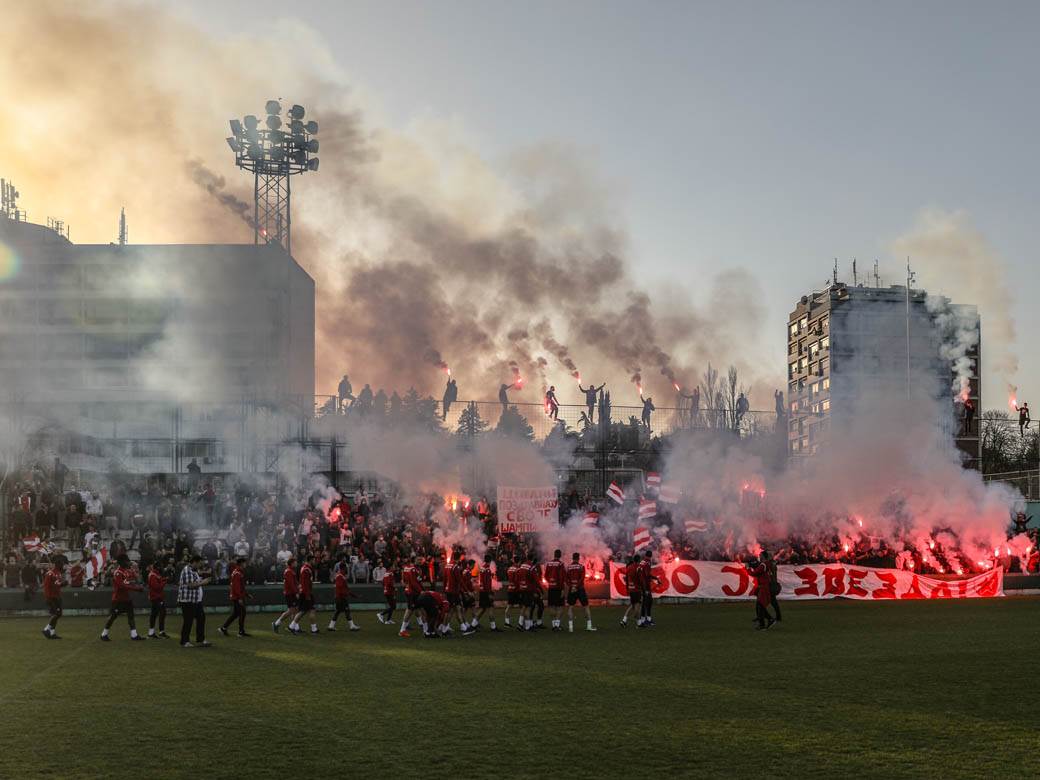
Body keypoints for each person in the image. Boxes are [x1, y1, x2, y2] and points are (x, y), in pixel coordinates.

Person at [101, 555, 144, 642]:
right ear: (122, 562)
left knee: (131, 616)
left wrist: (135, 575)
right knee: (113, 617)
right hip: (118, 600)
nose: (128, 563)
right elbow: (122, 586)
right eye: (127, 561)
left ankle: (134, 635)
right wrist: (136, 588)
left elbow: (134, 579)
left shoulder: (126, 571)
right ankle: (104, 634)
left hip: (127, 598)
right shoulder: (117, 573)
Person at [177, 555, 212, 647]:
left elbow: (195, 582)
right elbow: (191, 585)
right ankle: (184, 641)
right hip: (188, 600)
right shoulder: (187, 570)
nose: (200, 565)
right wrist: (203, 582)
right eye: (200, 563)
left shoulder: (193, 571)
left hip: (195, 600)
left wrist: (201, 580)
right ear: (195, 562)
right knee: (188, 621)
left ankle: (200, 639)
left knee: (201, 618)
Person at [219, 557, 250, 637]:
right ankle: (240, 632)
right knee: (242, 613)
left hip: (236, 596)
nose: (246, 564)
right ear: (242, 563)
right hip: (237, 597)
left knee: (236, 613)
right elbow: (237, 587)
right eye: (245, 563)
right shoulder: (237, 573)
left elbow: (240, 586)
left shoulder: (237, 572)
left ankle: (224, 628)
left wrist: (246, 594)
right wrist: (240, 597)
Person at [565, 553, 596, 632]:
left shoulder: (568, 567)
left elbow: (566, 579)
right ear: (578, 558)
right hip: (580, 589)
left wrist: (572, 586)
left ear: (572, 558)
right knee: (586, 606)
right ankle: (589, 626)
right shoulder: (581, 567)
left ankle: (570, 628)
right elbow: (582, 579)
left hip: (572, 589)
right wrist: (576, 586)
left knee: (570, 607)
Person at [328, 562, 360, 632]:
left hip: (339, 597)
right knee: (347, 611)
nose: (347, 569)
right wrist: (346, 594)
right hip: (341, 597)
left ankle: (331, 625)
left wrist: (351, 595)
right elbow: (341, 588)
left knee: (338, 611)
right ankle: (352, 626)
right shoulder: (340, 576)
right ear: (344, 568)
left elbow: (342, 588)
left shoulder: (339, 576)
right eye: (346, 568)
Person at [473, 554, 501, 632]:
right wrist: (490, 593)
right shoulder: (487, 569)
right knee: (491, 608)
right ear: (490, 561)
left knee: (482, 609)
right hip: (486, 591)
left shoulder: (482, 567)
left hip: (482, 591)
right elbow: (487, 583)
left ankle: (473, 624)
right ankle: (493, 627)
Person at [746, 557, 775, 630]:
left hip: (764, 587)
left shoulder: (762, 566)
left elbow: (754, 573)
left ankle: (763, 624)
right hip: (764, 587)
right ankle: (767, 619)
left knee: (760, 605)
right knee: (760, 605)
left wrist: (748, 568)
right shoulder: (764, 565)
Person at [398, 555, 423, 637]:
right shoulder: (413, 569)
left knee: (417, 607)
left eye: (421, 560)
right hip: (412, 592)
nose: (420, 561)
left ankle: (421, 624)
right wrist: (421, 590)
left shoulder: (408, 568)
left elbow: (404, 580)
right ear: (414, 560)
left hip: (411, 591)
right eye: (418, 559)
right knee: (410, 610)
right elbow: (413, 583)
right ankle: (402, 630)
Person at [294, 554, 319, 635]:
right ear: (311, 560)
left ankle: (313, 628)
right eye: (314, 560)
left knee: (303, 611)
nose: (314, 561)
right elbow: (306, 584)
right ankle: (313, 629)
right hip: (306, 593)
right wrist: (308, 595)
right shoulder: (307, 569)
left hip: (304, 592)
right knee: (310, 610)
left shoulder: (304, 568)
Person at [273, 556, 298, 634]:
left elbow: (294, 583)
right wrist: (296, 592)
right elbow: (291, 584)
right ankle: (276, 623)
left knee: (294, 610)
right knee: (291, 610)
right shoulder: (288, 571)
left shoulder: (290, 571)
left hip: (291, 593)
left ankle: (294, 627)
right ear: (292, 563)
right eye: (295, 562)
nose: (296, 563)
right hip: (290, 594)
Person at [543, 549, 566, 631]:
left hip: (551, 588)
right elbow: (562, 577)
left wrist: (550, 581)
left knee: (551, 605)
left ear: (554, 555)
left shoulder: (549, 564)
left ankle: (553, 625)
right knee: (560, 606)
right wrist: (562, 589)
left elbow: (545, 576)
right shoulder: (561, 564)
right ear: (560, 555)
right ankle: (557, 625)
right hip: (558, 588)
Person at [637, 551, 661, 627]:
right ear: (650, 556)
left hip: (641, 584)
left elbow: (639, 572)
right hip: (645, 585)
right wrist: (655, 578)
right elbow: (647, 575)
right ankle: (645, 620)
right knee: (647, 602)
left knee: (647, 601)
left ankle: (646, 619)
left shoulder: (642, 562)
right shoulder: (647, 563)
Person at [42, 558, 65, 639]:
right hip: (52, 597)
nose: (63, 566)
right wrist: (62, 584)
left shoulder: (57, 573)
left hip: (56, 596)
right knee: (56, 614)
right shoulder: (51, 573)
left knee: (58, 614)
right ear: (58, 565)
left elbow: (57, 584)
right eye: (62, 565)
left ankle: (52, 633)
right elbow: (48, 586)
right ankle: (46, 629)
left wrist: (62, 584)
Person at [147, 560, 169, 639]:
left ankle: (151, 632)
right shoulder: (153, 575)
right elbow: (156, 587)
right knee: (162, 613)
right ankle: (161, 632)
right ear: (158, 567)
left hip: (156, 596)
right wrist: (165, 582)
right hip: (156, 597)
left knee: (154, 614)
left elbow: (158, 583)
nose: (162, 568)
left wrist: (163, 580)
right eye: (161, 566)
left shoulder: (155, 574)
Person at [524, 552, 545, 631]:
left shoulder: (528, 566)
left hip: (530, 589)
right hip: (533, 589)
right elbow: (536, 580)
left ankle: (536, 623)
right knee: (533, 606)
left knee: (538, 606)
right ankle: (530, 624)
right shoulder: (532, 567)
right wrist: (541, 590)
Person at [619, 555, 642, 627]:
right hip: (637, 589)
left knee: (633, 605)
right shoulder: (638, 568)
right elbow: (640, 579)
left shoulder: (629, 567)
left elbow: (626, 578)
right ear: (638, 560)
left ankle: (624, 620)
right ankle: (638, 622)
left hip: (631, 589)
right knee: (637, 606)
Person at [762, 550, 781, 623]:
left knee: (764, 601)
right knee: (773, 602)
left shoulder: (770, 564)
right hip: (772, 584)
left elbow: (770, 574)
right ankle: (778, 616)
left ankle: (763, 616)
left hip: (771, 584)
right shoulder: (772, 563)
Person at [458, 558, 477, 635]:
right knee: (468, 608)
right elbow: (467, 583)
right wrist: (469, 592)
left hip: (466, 592)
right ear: (470, 565)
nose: (473, 567)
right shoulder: (468, 572)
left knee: (468, 608)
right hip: (467, 593)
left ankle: (469, 623)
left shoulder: (465, 571)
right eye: (473, 565)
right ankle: (471, 623)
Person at [503, 554, 521, 628]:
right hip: (516, 590)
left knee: (509, 606)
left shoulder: (509, 569)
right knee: (523, 606)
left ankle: (507, 622)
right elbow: (517, 580)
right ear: (519, 561)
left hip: (510, 588)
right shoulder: (517, 569)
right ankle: (524, 623)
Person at [377, 560, 397, 625]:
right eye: (393, 566)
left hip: (387, 591)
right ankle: (381, 614)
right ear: (391, 567)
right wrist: (394, 588)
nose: (394, 567)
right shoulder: (390, 573)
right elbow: (389, 583)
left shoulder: (386, 573)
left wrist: (385, 588)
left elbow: (383, 583)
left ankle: (388, 620)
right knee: (393, 606)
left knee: (392, 606)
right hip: (389, 592)